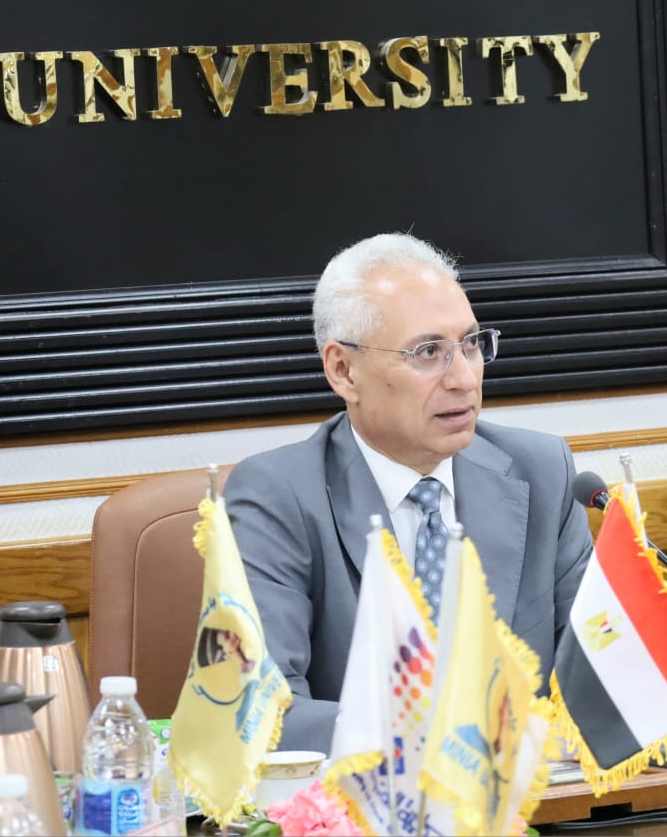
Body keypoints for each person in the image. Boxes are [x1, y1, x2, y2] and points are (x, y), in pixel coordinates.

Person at [225, 232, 594, 750]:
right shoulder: (278, 496)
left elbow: (600, 679)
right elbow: (264, 708)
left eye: (471, 344)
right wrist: (440, 744)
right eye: (428, 352)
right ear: (343, 370)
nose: (464, 379)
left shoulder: (542, 472)